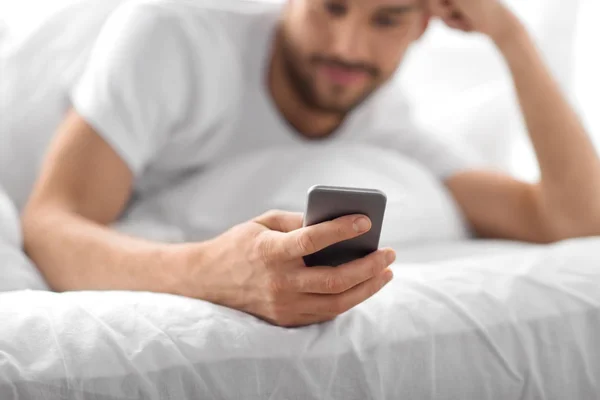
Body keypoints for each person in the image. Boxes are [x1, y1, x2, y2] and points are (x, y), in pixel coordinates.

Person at [22, 0, 600, 327]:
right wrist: (208, 273)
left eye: (387, 18)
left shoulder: (385, 117)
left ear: (422, 26)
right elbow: (50, 224)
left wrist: (512, 36)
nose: (348, 48)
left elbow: (570, 220)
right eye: (332, 7)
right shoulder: (175, 37)